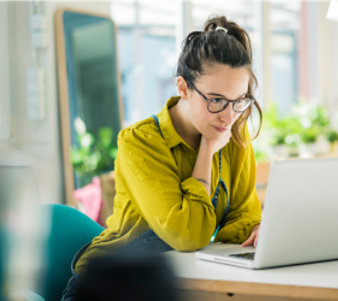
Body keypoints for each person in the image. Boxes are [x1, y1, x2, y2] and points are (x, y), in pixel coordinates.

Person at [62, 15, 263, 300]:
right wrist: (207, 150)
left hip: (177, 281)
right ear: (183, 88)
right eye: (216, 100)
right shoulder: (139, 142)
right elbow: (188, 235)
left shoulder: (233, 137)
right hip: (109, 287)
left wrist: (256, 229)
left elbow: (243, 216)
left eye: (239, 101)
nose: (229, 116)